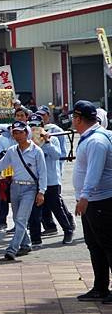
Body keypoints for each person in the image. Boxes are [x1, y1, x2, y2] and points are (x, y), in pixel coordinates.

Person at [0, 120, 46, 260]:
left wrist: (41, 192)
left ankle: (12, 249)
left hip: (30, 188)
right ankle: (26, 244)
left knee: (21, 219)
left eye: (20, 132)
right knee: (17, 218)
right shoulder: (12, 151)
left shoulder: (36, 151)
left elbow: (43, 173)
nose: (17, 135)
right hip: (15, 187)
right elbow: (0, 166)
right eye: (15, 133)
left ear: (26, 133)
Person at [71, 100, 112, 304]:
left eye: (74, 117)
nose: (72, 121)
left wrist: (85, 196)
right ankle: (100, 287)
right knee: (94, 245)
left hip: (99, 201)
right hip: (93, 201)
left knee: (108, 245)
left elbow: (94, 172)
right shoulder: (91, 137)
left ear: (78, 119)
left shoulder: (96, 141)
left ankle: (104, 287)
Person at [26, 114, 74, 246]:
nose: (34, 129)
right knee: (34, 211)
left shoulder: (52, 140)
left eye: (36, 126)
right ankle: (35, 238)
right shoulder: (28, 143)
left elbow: (57, 155)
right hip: (35, 181)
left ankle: (68, 230)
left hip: (51, 180)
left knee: (57, 208)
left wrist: (46, 142)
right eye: (31, 126)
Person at [0, 123, 14, 230]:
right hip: (6, 170)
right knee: (3, 198)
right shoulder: (3, 137)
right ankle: (2, 222)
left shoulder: (26, 135)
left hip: (19, 171)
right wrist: (9, 128)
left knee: (17, 199)